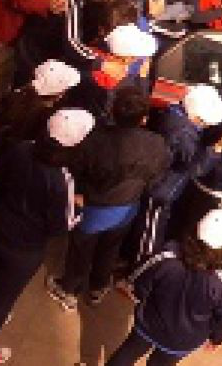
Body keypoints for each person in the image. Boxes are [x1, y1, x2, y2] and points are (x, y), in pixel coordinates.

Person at [0, 108, 93, 364]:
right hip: (24, 248)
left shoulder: (23, 148)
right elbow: (61, 225)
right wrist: (78, 207)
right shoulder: (62, 179)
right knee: (3, 298)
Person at [50, 87, 170, 310]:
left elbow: (77, 170)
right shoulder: (157, 145)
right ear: (144, 119)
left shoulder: (95, 140)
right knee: (110, 249)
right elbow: (158, 176)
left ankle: (69, 290)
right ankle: (98, 287)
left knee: (81, 250)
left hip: (93, 207)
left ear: (113, 111)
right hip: (128, 207)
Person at [108, 209, 222, 366]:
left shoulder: (167, 255)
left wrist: (138, 294)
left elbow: (139, 278)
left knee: (127, 353)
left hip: (149, 323)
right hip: (182, 341)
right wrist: (217, 339)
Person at [136, 85, 222, 257]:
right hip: (161, 190)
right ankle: (144, 264)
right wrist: (218, 147)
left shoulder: (174, 114)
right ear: (196, 116)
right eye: (204, 122)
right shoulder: (182, 133)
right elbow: (195, 167)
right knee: (150, 235)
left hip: (163, 184)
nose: (205, 126)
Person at [12, 0, 107, 89]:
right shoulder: (70, 3)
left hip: (27, 45)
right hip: (40, 56)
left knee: (18, 85)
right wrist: (98, 60)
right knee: (28, 89)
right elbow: (72, 42)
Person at [0, 59, 82, 155]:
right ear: (57, 92)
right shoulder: (45, 114)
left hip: (4, 139)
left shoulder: (19, 93)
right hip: (14, 149)